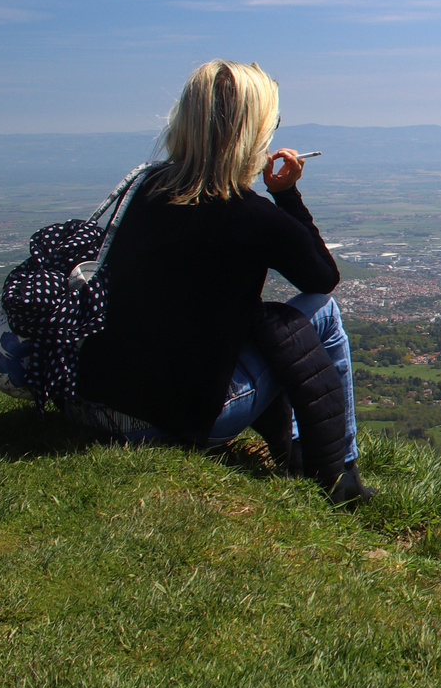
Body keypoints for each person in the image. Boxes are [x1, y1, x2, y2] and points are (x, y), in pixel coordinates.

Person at [74, 60, 372, 503]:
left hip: (88, 405)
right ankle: (339, 467)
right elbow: (322, 278)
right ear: (254, 132)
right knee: (323, 314)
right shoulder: (253, 215)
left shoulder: (147, 187)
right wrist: (286, 193)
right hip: (163, 424)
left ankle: (295, 446)